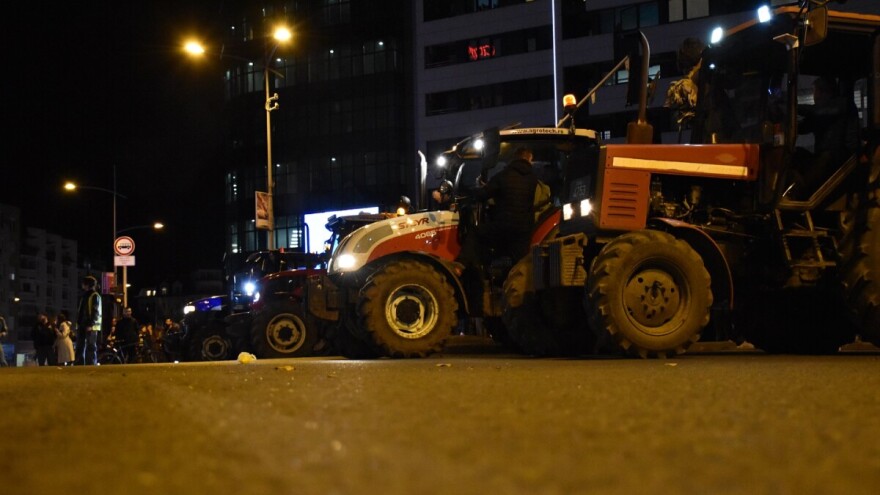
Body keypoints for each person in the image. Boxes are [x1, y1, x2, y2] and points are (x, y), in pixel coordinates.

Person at [467, 146, 538, 263]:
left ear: (515, 158)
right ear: (529, 159)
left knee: (475, 232)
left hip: (503, 227)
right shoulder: (533, 179)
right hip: (524, 230)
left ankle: (466, 266)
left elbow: (482, 195)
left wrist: (476, 190)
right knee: (518, 262)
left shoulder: (503, 175)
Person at [795, 76, 861, 196]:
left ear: (825, 93)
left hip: (840, 160)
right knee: (796, 153)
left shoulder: (842, 105)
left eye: (815, 92)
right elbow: (803, 126)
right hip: (823, 156)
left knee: (824, 160)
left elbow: (817, 111)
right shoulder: (822, 115)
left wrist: (792, 107)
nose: (815, 97)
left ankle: (801, 193)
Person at [75, 275, 103, 365]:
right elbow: (81, 311)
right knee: (80, 345)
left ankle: (90, 364)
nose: (82, 285)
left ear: (88, 284)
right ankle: (79, 363)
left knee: (90, 346)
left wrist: (91, 324)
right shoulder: (84, 296)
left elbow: (96, 312)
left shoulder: (95, 295)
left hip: (91, 325)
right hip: (83, 324)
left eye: (84, 283)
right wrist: (78, 324)